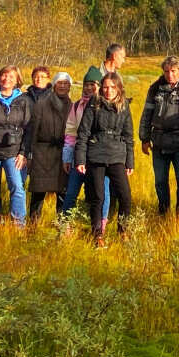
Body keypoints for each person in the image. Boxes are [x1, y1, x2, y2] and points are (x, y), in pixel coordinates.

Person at [74, 71, 135, 244]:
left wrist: (130, 161)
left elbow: (129, 136)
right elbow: (83, 132)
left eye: (112, 87)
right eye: (105, 87)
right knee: (98, 197)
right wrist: (80, 159)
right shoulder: (94, 103)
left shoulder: (124, 106)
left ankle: (123, 231)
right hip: (96, 155)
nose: (108, 91)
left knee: (125, 196)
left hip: (117, 155)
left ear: (118, 88)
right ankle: (97, 234)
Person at [139, 55, 179, 215]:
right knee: (160, 181)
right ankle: (163, 212)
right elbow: (147, 114)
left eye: (173, 71)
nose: (170, 75)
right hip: (159, 143)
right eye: (166, 71)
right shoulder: (155, 88)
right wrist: (144, 138)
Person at [0, 64, 32, 222]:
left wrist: (23, 153)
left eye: (11, 76)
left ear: (17, 80)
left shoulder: (24, 100)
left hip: (14, 152)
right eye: (4, 75)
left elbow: (29, 128)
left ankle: (18, 223)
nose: (7, 79)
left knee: (17, 187)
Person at [26, 71, 73, 223]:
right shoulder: (42, 103)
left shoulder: (72, 106)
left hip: (62, 155)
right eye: (59, 82)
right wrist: (30, 154)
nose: (63, 86)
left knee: (62, 192)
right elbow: (33, 130)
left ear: (70, 86)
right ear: (53, 85)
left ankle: (62, 225)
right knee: (38, 192)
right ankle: (33, 225)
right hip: (42, 153)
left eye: (66, 83)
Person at [60, 76, 98, 217]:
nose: (88, 88)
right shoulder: (77, 106)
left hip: (97, 156)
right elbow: (70, 133)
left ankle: (94, 221)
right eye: (86, 84)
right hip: (79, 155)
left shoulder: (104, 105)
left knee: (96, 192)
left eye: (92, 84)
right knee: (71, 192)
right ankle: (66, 223)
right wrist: (67, 157)